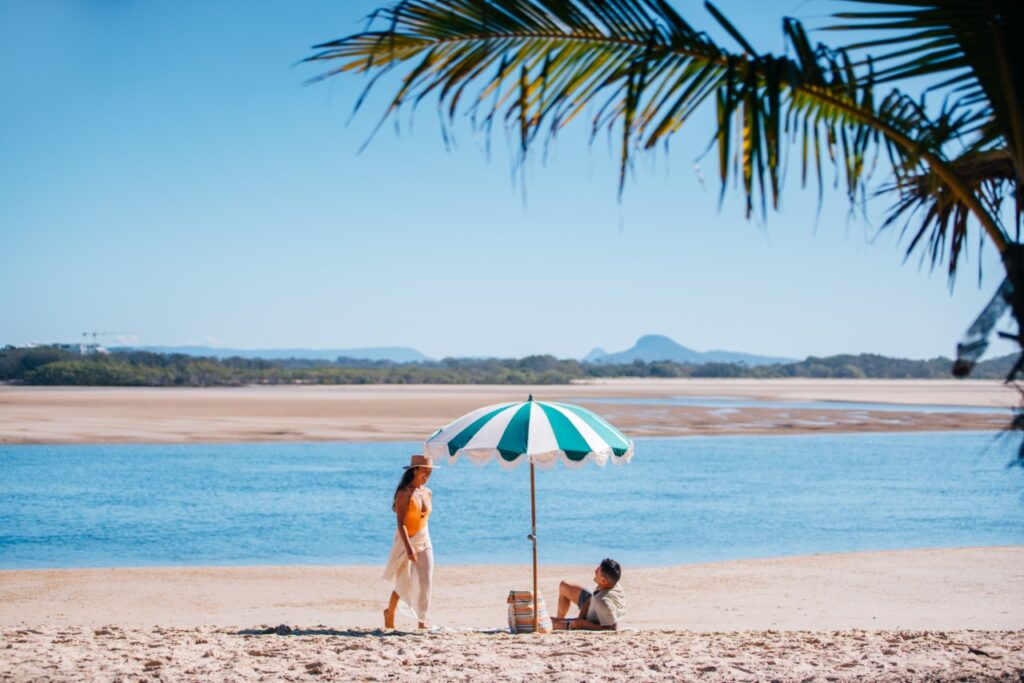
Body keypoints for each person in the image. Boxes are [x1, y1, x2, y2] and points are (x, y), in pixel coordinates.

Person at [382, 454, 437, 629]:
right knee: (403, 580)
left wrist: (421, 542)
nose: (427, 475)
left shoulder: (428, 492)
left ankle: (423, 621)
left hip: (423, 538)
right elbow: (401, 523)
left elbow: (424, 519)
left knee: (425, 579)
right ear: (414, 470)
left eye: (430, 472)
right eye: (425, 471)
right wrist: (409, 549)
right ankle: (389, 612)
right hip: (405, 539)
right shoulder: (404, 493)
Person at [551, 558, 625, 631]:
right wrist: (580, 617)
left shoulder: (603, 602)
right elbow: (590, 600)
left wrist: (583, 624)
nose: (595, 570)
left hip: (593, 620)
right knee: (564, 586)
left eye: (598, 571)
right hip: (594, 603)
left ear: (603, 580)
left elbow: (612, 628)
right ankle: (559, 619)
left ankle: (559, 625)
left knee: (545, 622)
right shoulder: (611, 582)